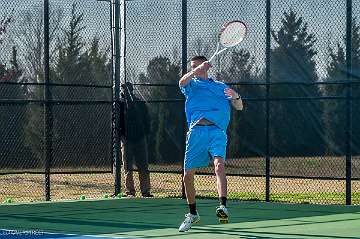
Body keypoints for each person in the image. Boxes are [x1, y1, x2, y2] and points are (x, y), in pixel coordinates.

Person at [178, 56, 243, 232]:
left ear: (206, 66)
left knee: (219, 166)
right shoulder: (191, 85)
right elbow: (182, 81)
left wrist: (236, 96)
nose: (193, 69)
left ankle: (223, 206)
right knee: (187, 176)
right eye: (191, 67)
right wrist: (194, 71)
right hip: (196, 133)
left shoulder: (220, 87)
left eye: (196, 66)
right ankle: (193, 214)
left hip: (216, 132)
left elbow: (239, 106)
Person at [120, 82, 153, 197]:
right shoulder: (120, 104)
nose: (124, 92)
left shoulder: (140, 103)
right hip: (127, 140)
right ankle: (130, 191)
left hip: (140, 138)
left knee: (143, 166)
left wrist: (145, 133)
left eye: (126, 89)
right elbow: (116, 121)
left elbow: (147, 119)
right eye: (123, 90)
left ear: (131, 90)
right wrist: (121, 136)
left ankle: (145, 191)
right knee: (127, 166)